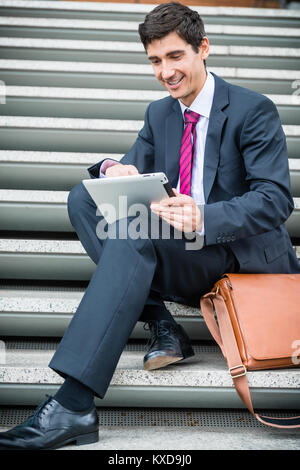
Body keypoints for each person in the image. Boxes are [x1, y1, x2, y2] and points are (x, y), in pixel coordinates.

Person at [0, 2, 299, 450]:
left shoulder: (252, 110)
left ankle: (73, 402)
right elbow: (132, 175)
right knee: (86, 197)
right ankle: (161, 320)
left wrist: (204, 215)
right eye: (155, 61)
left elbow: (275, 200)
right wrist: (111, 169)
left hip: (238, 256)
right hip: (184, 251)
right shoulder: (160, 114)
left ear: (204, 49)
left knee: (132, 229)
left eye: (175, 56)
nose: (166, 71)